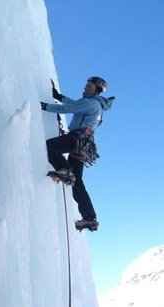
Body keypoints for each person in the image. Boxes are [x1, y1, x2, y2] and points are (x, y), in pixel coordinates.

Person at [40, 77, 115, 231]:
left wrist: (45, 106)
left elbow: (70, 107)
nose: (85, 88)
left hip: (77, 139)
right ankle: (89, 217)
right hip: (84, 146)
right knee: (77, 182)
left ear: (97, 90)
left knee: (50, 146)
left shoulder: (91, 103)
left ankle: (65, 170)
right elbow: (73, 103)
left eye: (89, 86)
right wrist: (58, 96)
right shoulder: (96, 105)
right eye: (86, 85)